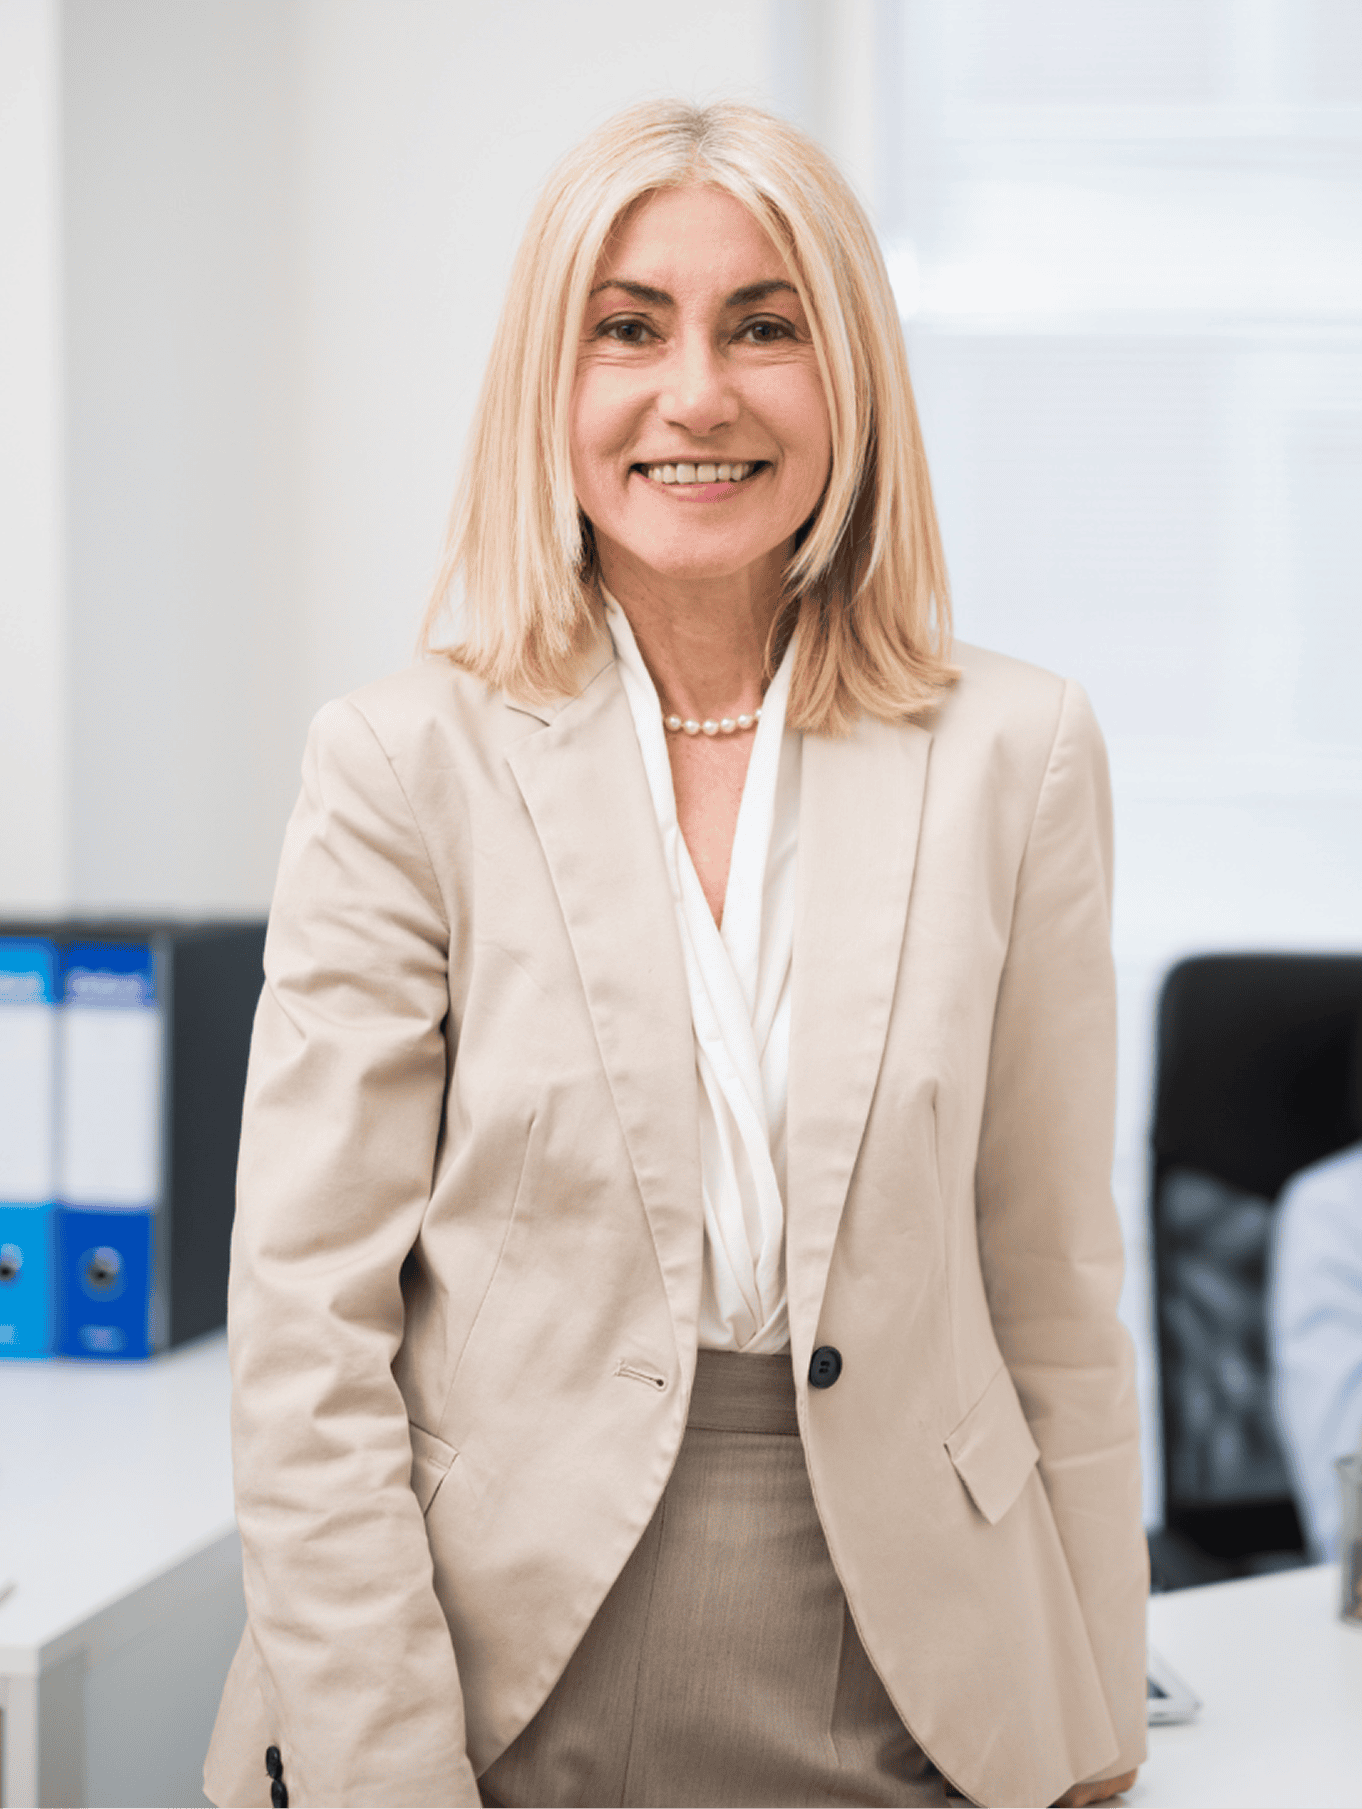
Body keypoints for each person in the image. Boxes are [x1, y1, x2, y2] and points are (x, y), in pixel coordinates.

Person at [204, 100, 1147, 1809]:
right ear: (546, 390)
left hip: (926, 1674)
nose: (697, 394)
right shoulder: (403, 764)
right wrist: (383, 1774)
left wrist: (1090, 1722)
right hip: (488, 1669)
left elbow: (1053, 1292)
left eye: (766, 325)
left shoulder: (1021, 754)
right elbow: (306, 1331)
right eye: (627, 328)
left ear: (846, 370)